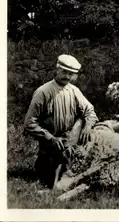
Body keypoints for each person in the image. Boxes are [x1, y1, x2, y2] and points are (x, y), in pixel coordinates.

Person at [24, 54, 99, 188]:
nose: (67, 76)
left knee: (82, 173)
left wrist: (87, 126)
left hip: (71, 142)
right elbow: (29, 123)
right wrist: (50, 138)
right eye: (64, 72)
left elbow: (90, 111)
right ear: (57, 69)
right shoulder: (43, 92)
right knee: (49, 177)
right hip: (51, 145)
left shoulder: (74, 91)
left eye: (71, 74)